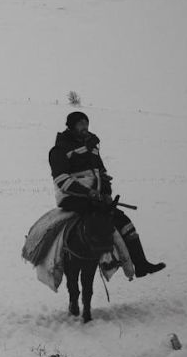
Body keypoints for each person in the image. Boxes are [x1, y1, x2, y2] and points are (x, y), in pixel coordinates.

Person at [48, 111, 166, 277]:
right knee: (99, 220)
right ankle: (105, 260)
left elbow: (101, 173)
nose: (85, 127)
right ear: (71, 126)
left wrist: (106, 192)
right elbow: (61, 180)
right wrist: (88, 192)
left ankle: (141, 264)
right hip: (72, 198)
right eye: (80, 123)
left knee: (124, 221)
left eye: (86, 123)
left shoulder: (92, 146)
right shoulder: (59, 149)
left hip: (94, 197)